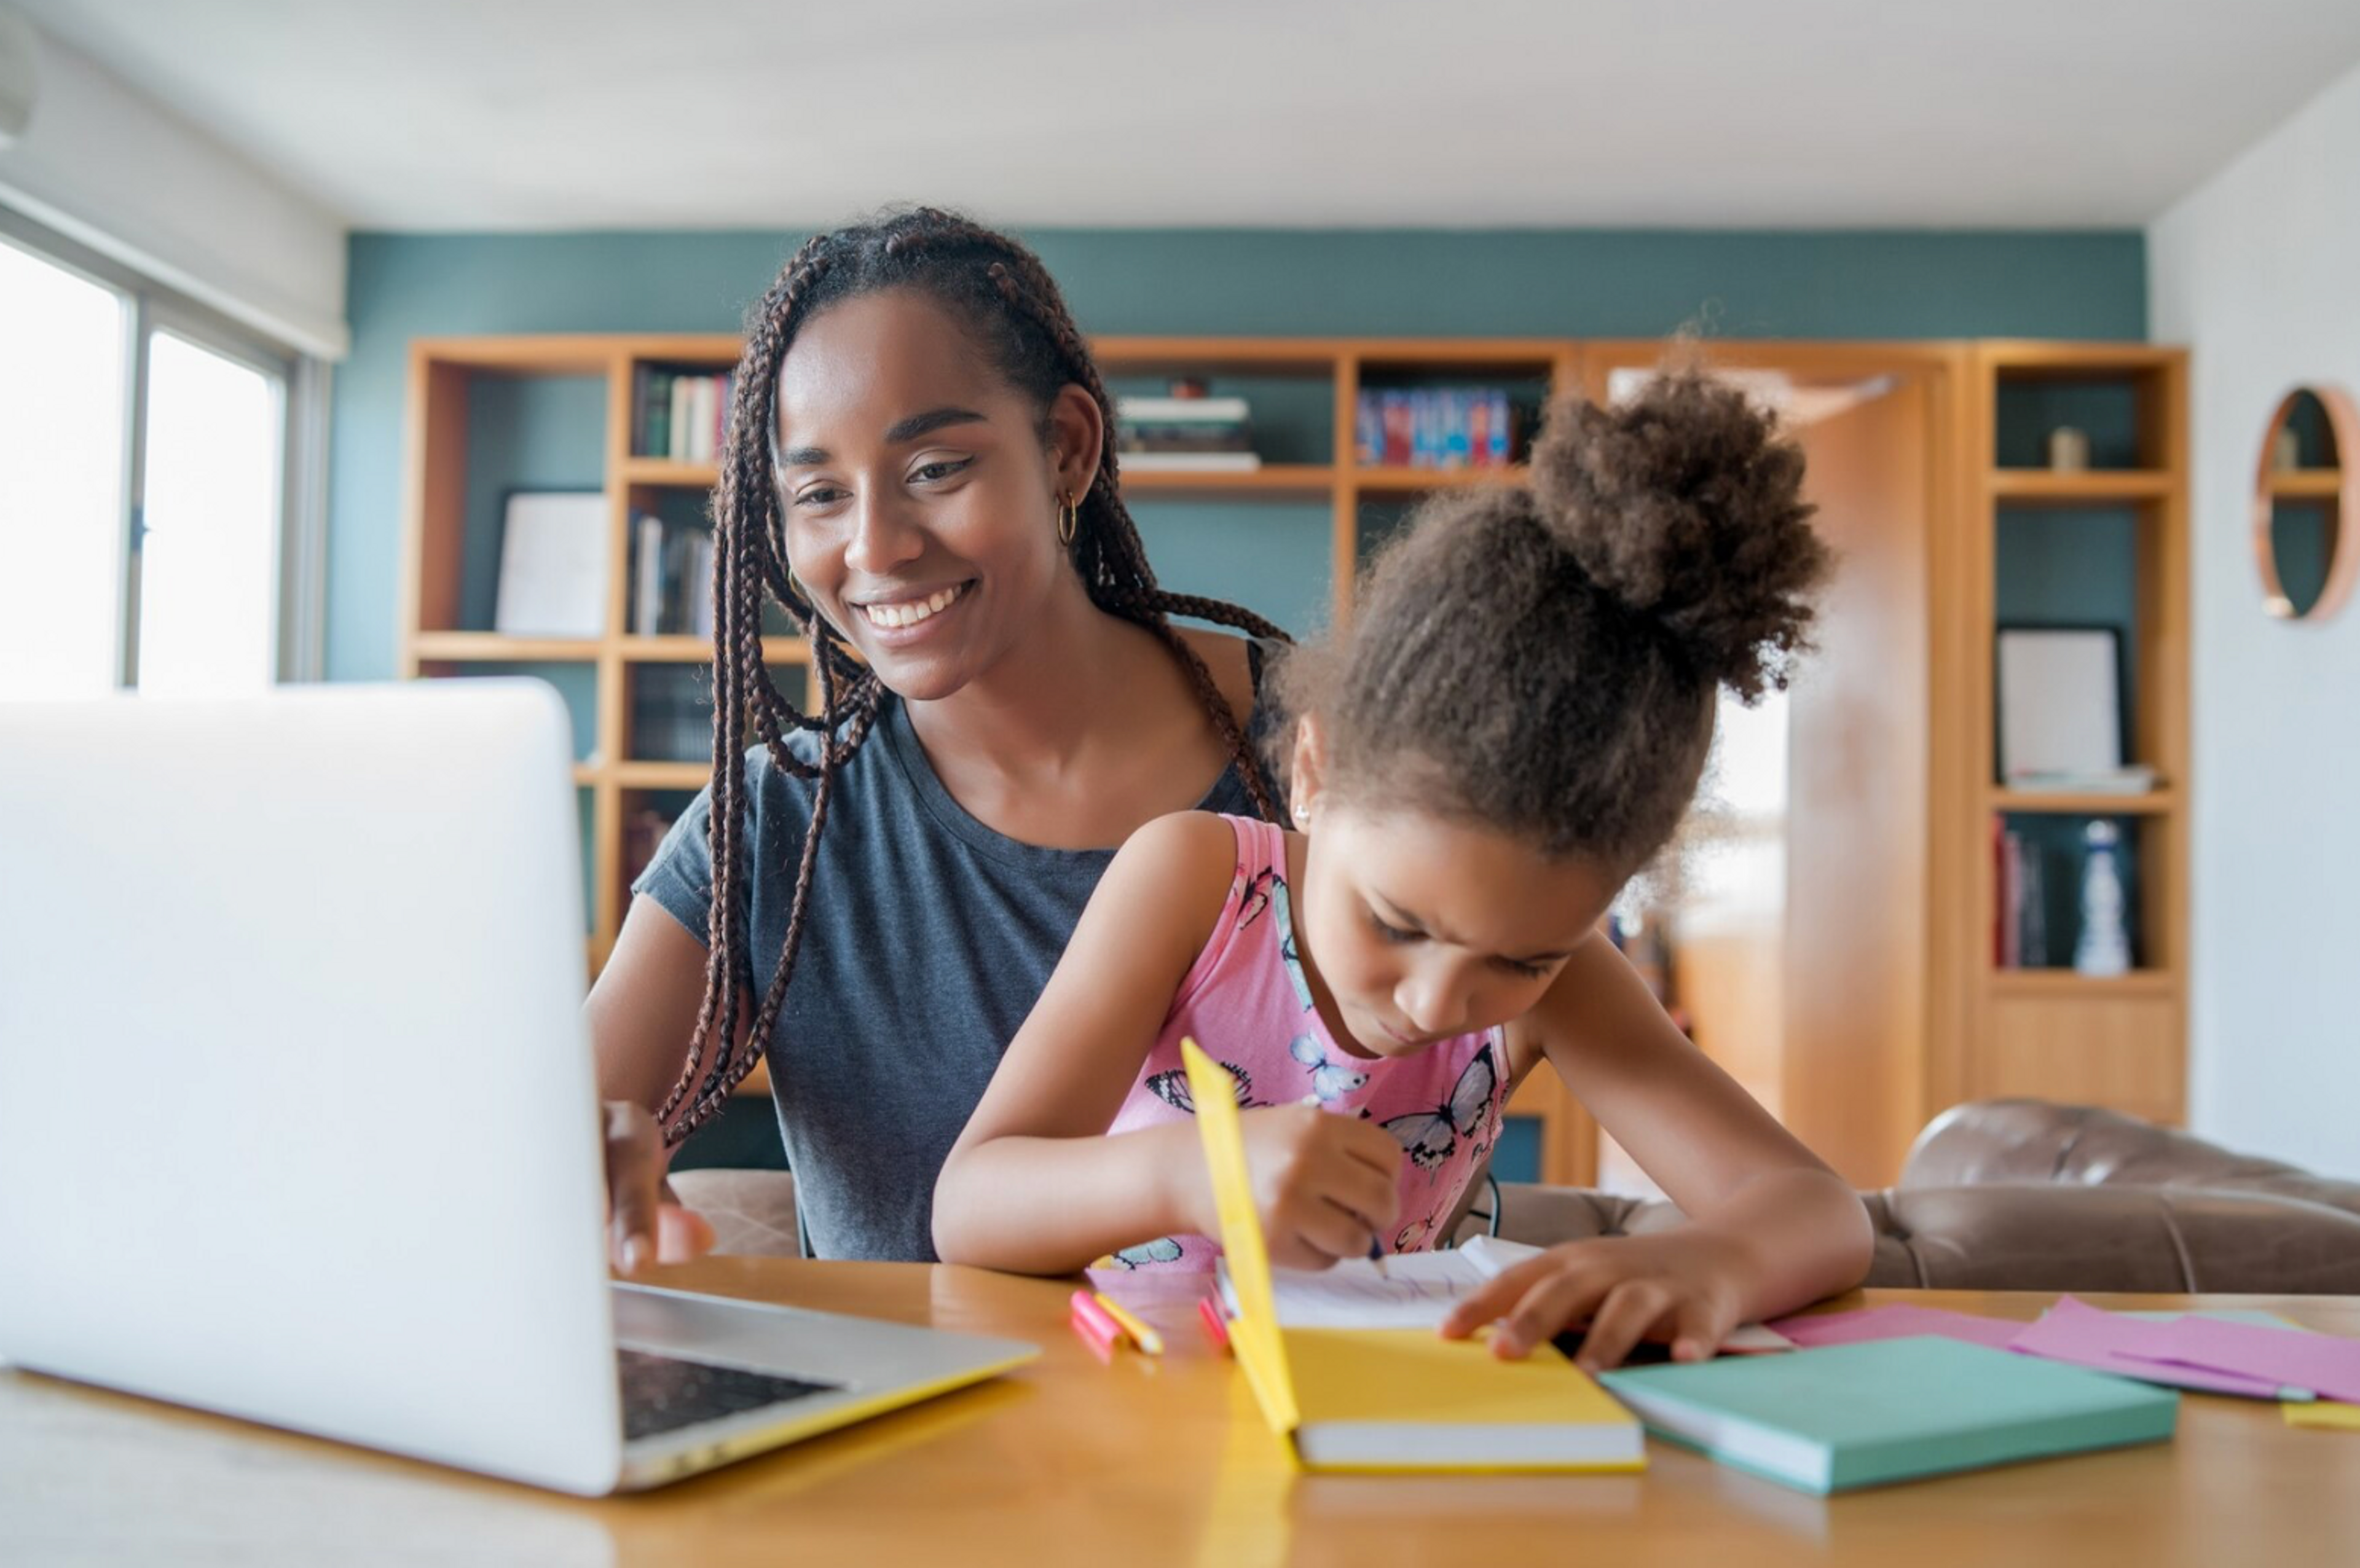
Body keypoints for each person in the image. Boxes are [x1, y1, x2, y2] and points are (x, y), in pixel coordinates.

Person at [933, 370, 1876, 1370]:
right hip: (1121, 1414)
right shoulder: (1196, 882)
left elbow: (1818, 1211)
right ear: (1314, 771)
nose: (1440, 1000)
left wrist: (1711, 1263)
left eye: (1523, 962)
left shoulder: (1568, 987)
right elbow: (972, 1204)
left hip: (1365, 1428)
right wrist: (1188, 1175)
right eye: (1398, 923)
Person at [588, 208, 1289, 1267]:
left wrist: (1643, 1253)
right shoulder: (780, 823)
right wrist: (586, 1159)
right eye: (820, 494)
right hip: (917, 1435)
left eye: (934, 470)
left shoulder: (1319, 751)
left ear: (1065, 449)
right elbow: (541, 1144)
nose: (876, 547)